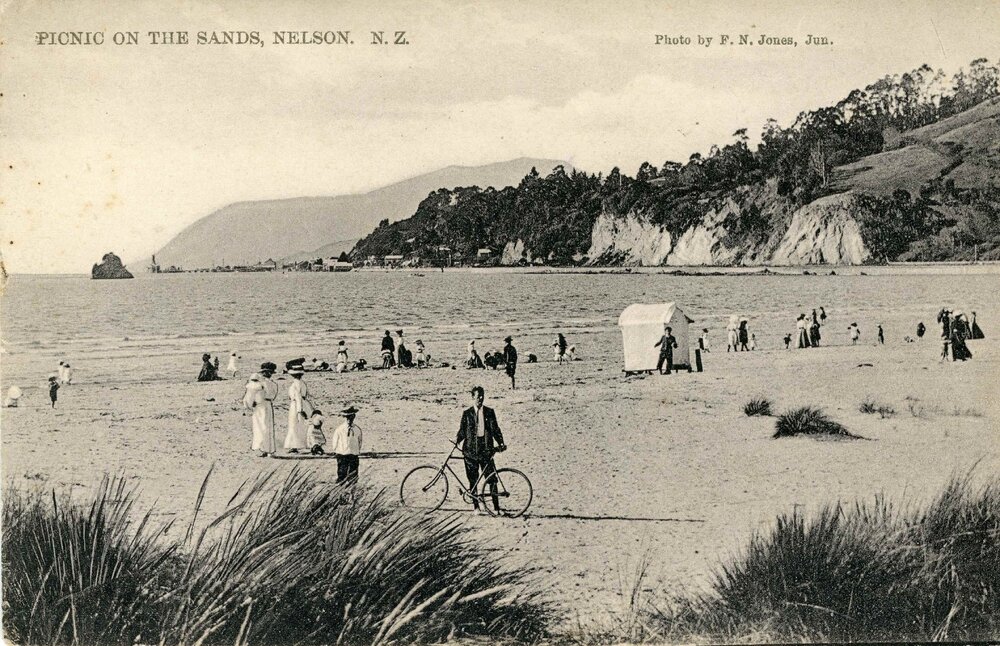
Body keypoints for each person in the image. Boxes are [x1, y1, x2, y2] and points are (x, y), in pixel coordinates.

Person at [455, 386, 506, 513]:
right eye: (478, 397)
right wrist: (456, 441)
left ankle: (496, 508)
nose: (480, 399)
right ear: (473, 398)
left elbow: (495, 429)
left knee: (492, 479)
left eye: (482, 396)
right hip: (470, 452)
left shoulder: (489, 412)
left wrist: (501, 442)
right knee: (473, 480)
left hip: (486, 452)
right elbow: (462, 431)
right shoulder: (467, 414)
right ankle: (476, 507)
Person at [244, 365, 278, 457]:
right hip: (267, 405)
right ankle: (268, 450)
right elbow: (272, 396)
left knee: (261, 427)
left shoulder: (260, 383)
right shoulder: (272, 384)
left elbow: (250, 395)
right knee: (267, 427)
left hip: (260, 406)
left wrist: (250, 404)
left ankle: (265, 449)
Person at [331, 405, 363, 484]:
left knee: (353, 476)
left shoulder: (357, 429)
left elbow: (360, 441)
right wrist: (336, 450)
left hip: (353, 454)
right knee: (342, 475)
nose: (349, 419)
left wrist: (356, 450)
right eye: (347, 417)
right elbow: (335, 441)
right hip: (342, 454)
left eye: (351, 417)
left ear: (354, 417)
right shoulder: (340, 429)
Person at [284, 364, 311, 453]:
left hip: (296, 405)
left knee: (294, 425)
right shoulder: (302, 383)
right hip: (304, 404)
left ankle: (295, 445)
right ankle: (301, 444)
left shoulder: (295, 384)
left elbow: (298, 397)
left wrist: (300, 410)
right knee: (301, 425)